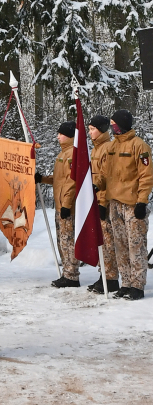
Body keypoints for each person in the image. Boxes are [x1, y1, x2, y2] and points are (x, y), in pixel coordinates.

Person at [93, 109, 153, 300]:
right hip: (114, 203)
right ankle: (126, 283)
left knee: (136, 246)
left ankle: (137, 285)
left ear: (123, 124)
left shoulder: (139, 146)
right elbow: (104, 173)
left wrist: (142, 202)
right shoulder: (112, 147)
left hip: (132, 204)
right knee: (120, 245)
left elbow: (146, 176)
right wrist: (95, 186)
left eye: (115, 124)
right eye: (111, 124)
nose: (112, 127)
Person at [35, 121, 79, 288]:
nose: (57, 136)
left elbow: (72, 182)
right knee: (62, 240)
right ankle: (67, 272)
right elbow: (58, 179)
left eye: (60, 134)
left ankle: (72, 275)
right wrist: (42, 179)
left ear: (68, 135)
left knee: (68, 241)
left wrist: (67, 204)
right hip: (60, 205)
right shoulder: (62, 154)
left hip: (68, 206)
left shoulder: (73, 154)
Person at [87, 115, 119, 294]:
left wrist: (103, 201)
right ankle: (104, 274)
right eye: (89, 129)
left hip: (103, 202)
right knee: (100, 240)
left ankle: (111, 278)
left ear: (102, 129)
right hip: (95, 200)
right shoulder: (96, 149)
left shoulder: (107, 148)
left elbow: (107, 178)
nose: (90, 132)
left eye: (93, 129)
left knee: (107, 240)